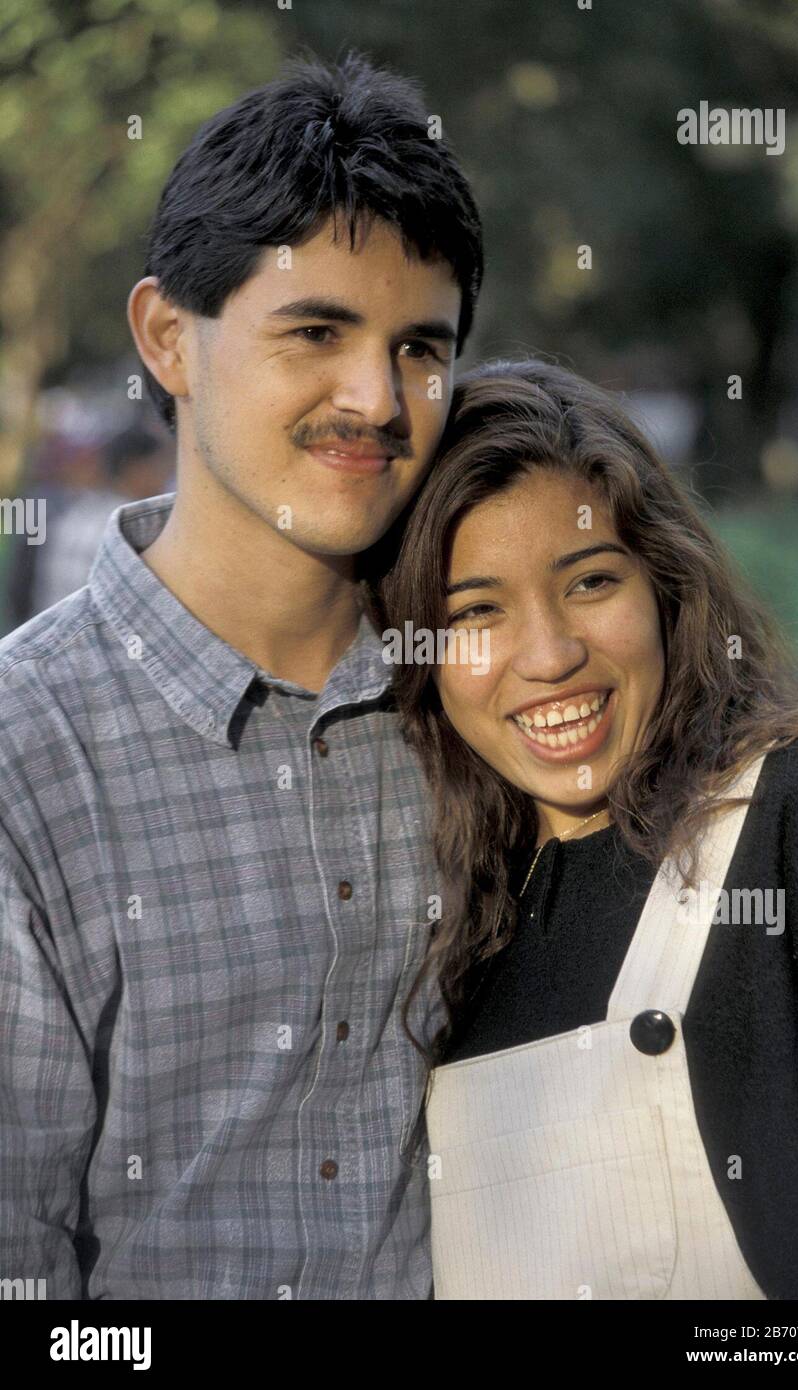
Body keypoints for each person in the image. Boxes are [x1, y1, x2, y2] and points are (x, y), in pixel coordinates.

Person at [0, 51, 481, 1300]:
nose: (375, 398)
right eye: (315, 330)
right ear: (168, 336)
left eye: (419, 347)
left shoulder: (485, 693)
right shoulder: (22, 759)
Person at [383, 359, 798, 1301]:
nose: (551, 655)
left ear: (663, 584)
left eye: (589, 581)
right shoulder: (449, 933)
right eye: (475, 611)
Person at [30, 427, 172, 615]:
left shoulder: (78, 511)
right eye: (159, 467)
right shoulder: (130, 528)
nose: (165, 478)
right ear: (136, 468)